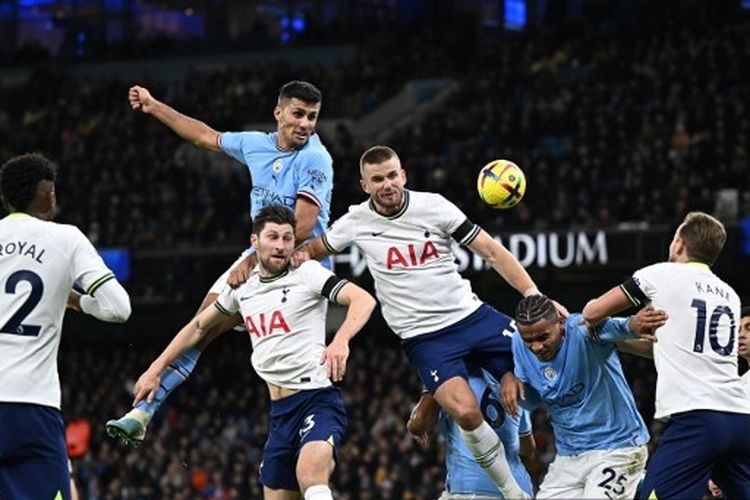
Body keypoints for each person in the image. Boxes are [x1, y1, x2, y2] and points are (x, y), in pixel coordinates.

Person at [296, 145, 545, 498]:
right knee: (466, 412)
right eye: (378, 179)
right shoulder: (356, 221)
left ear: (404, 176)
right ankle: (513, 493)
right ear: (364, 185)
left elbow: (490, 251)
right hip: (425, 337)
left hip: (470, 315)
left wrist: (532, 293)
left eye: (392, 176)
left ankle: (582, 454)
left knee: (547, 351)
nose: (387, 184)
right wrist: (284, 256)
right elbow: (314, 250)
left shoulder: (435, 206)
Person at [107, 80, 334, 444]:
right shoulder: (256, 145)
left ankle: (308, 444)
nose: (306, 124)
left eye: (312, 117)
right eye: (298, 114)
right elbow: (204, 136)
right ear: (278, 113)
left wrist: (254, 263)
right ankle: (143, 411)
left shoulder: (315, 158)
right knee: (202, 322)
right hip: (260, 255)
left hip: (300, 263)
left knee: (285, 371)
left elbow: (302, 226)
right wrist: (154, 105)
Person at [130, 205, 376, 500]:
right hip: (280, 413)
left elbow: (363, 299)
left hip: (317, 400)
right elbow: (197, 327)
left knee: (310, 473)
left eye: (287, 238)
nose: (282, 245)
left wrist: (341, 340)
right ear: (254, 242)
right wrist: (155, 369)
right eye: (273, 237)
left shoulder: (307, 273)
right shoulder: (242, 289)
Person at [582, 212, 750, 499]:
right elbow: (672, 347)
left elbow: (592, 314)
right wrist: (619, 342)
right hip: (740, 419)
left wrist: (591, 312)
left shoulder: (659, 274)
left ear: (679, 244)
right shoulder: (730, 295)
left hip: (697, 420)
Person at [0, 153, 131, 500]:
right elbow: (119, 309)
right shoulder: (66, 239)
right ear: (46, 196)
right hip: (34, 410)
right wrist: (78, 300)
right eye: (52, 191)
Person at [501, 295, 667, 499]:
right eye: (529, 340)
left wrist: (633, 324)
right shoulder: (518, 342)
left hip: (618, 448)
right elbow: (534, 400)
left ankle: (639, 488)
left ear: (560, 324)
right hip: (568, 457)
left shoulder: (582, 329)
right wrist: (510, 379)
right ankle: (637, 490)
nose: (536, 347)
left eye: (543, 337)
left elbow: (619, 327)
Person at [408, 365, 535, 499]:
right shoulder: (512, 384)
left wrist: (413, 425)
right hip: (518, 487)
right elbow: (527, 448)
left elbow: (420, 420)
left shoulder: (448, 376)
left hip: (469, 486)